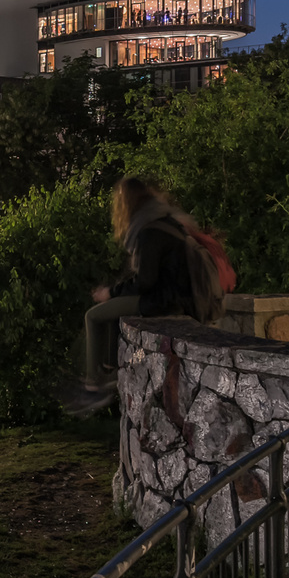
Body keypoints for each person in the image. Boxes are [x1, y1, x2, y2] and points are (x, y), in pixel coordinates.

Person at [65, 177, 198, 416]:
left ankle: (94, 385)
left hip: (163, 301)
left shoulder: (149, 229)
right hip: (175, 297)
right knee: (112, 309)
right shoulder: (162, 220)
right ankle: (108, 368)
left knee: (93, 316)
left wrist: (111, 292)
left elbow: (145, 282)